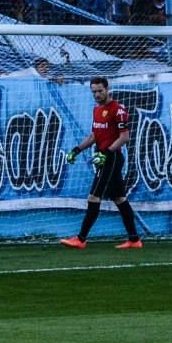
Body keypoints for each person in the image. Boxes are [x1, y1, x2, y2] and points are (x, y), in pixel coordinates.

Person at [61, 76, 142, 250]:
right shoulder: (97, 110)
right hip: (103, 157)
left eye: (99, 91)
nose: (97, 94)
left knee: (93, 196)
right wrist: (77, 150)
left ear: (107, 89)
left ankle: (81, 239)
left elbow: (124, 137)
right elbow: (94, 136)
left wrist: (106, 152)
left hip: (111, 158)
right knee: (119, 198)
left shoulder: (118, 110)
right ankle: (134, 240)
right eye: (94, 92)